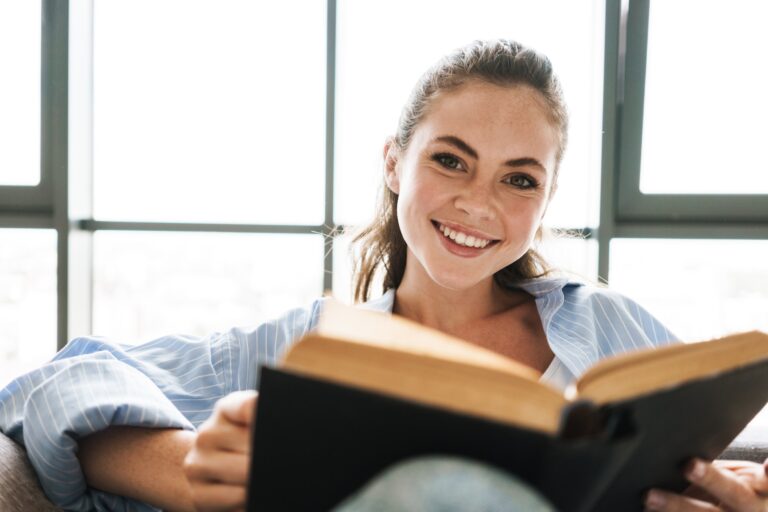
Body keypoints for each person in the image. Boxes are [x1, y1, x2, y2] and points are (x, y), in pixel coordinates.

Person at [1, 39, 767, 512]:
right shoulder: (312, 344)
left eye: (520, 180)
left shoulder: (606, 325)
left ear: (547, 200)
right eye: (450, 160)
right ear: (396, 162)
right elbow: (50, 388)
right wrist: (189, 475)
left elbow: (709, 451)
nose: (478, 204)